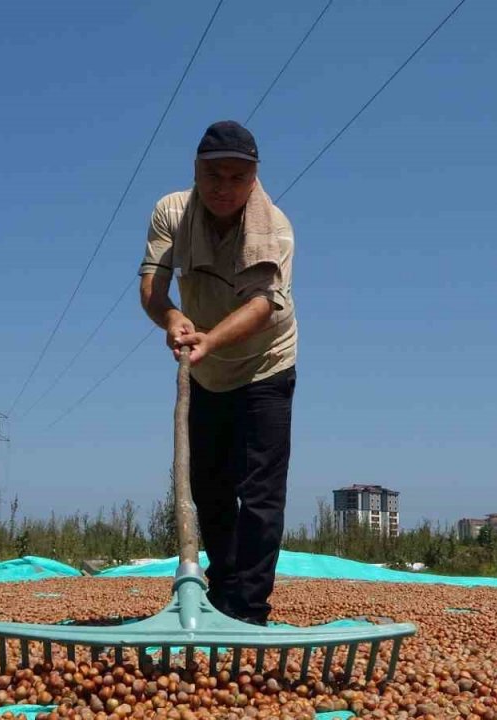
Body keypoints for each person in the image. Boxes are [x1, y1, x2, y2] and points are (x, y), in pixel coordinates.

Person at [138, 120, 297, 626]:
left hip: (266, 365)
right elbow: (152, 286)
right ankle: (221, 595)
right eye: (214, 176)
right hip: (205, 372)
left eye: (237, 178)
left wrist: (207, 339)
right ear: (195, 171)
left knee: (261, 493)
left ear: (254, 178)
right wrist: (171, 318)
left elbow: (261, 307)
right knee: (209, 488)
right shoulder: (172, 212)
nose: (224, 189)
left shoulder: (273, 228)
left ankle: (248, 613)